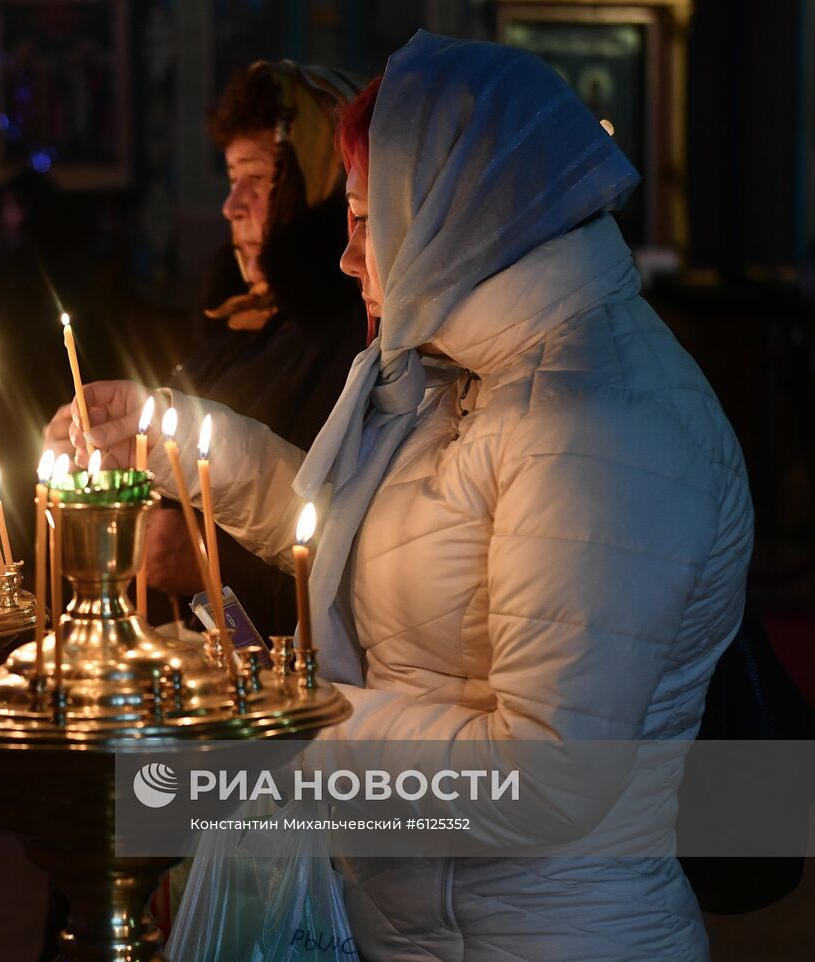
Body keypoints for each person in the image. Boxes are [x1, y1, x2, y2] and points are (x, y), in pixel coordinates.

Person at [49, 32, 754, 961]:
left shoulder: (596, 426)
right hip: (429, 924)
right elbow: (341, 524)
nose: (347, 259)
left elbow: (542, 781)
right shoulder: (469, 375)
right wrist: (163, 429)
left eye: (364, 220)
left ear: (458, 215)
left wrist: (288, 711)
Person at [45, 61, 366, 636]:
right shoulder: (240, 324)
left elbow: (343, 583)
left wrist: (206, 572)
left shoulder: (353, 345)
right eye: (229, 179)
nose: (231, 205)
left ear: (322, 187)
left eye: (259, 181)